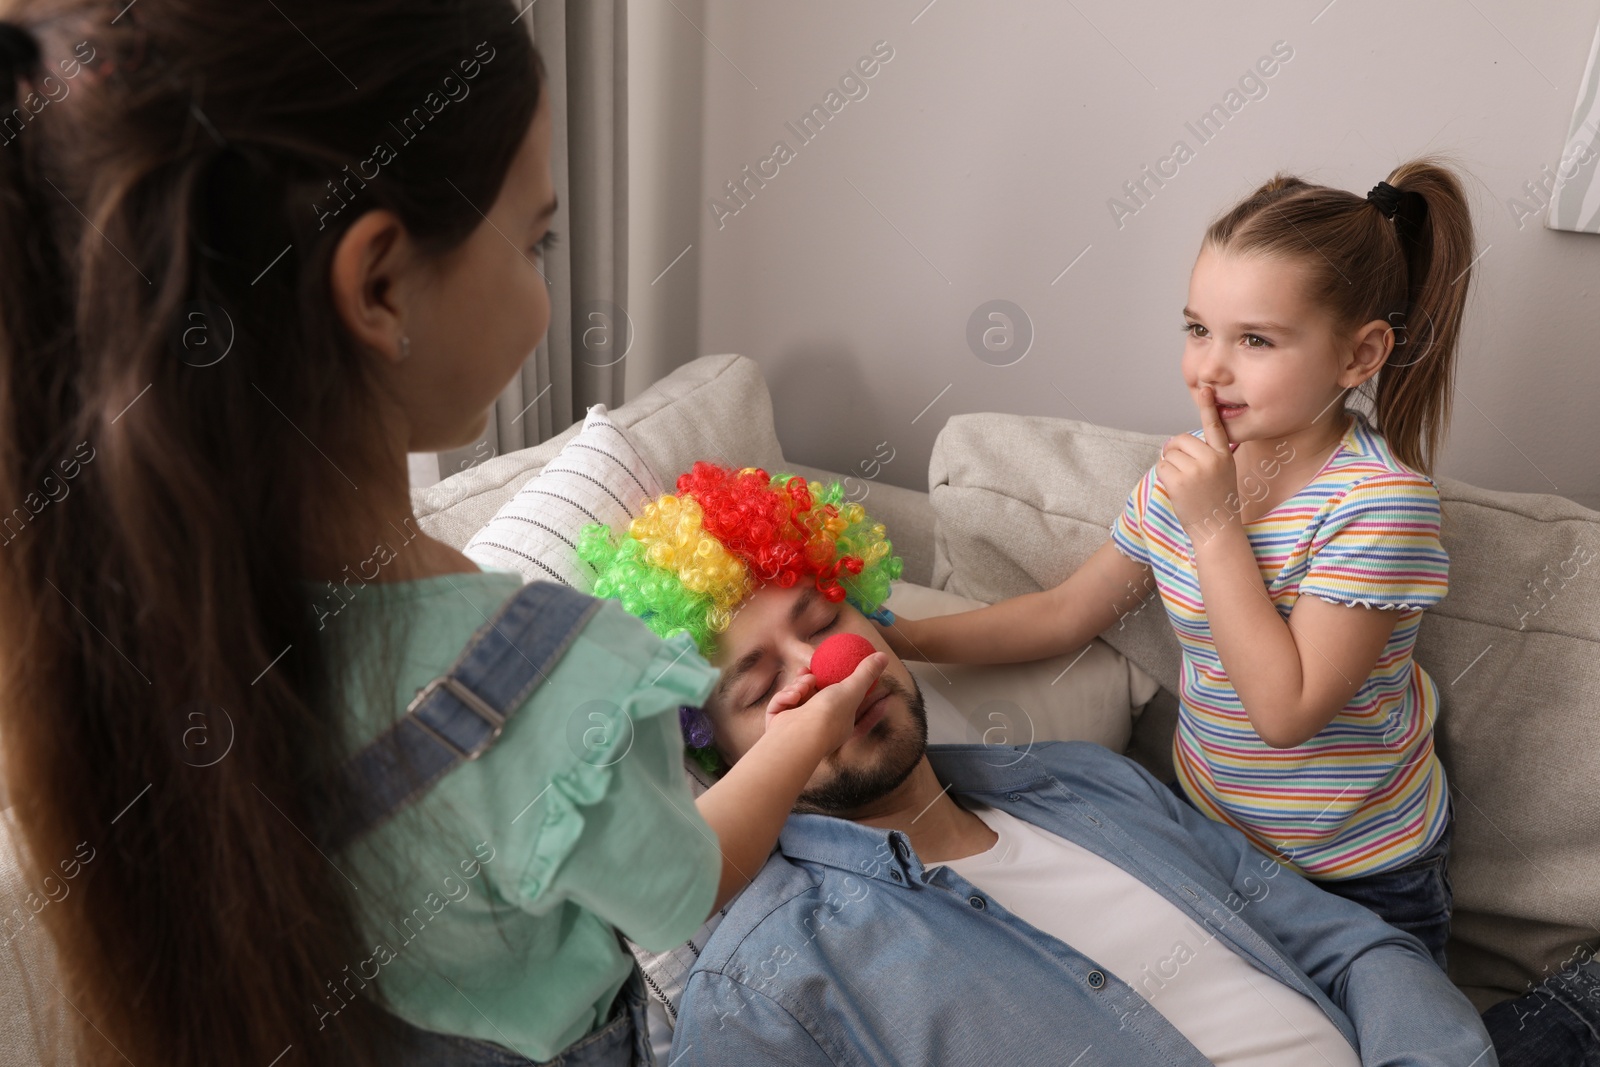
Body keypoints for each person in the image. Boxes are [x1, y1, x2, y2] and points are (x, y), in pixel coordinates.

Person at [0, 4, 880, 1067]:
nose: (545, 285)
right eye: (534, 238)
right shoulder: (557, 680)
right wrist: (801, 730)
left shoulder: (136, 648)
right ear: (379, 284)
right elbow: (680, 884)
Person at [578, 463, 1497, 1066]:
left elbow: (1355, 944)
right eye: (760, 689)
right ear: (722, 754)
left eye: (823, 628)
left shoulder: (1081, 778)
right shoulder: (766, 988)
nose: (823, 679)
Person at [881, 162, 1476, 968]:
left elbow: (1285, 710)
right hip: (1214, 837)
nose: (1210, 368)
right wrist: (906, 639)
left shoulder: (1377, 506)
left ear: (1359, 355)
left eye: (1256, 340)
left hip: (1360, 872)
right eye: (1198, 329)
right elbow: (1065, 612)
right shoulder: (1187, 478)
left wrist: (1215, 524)